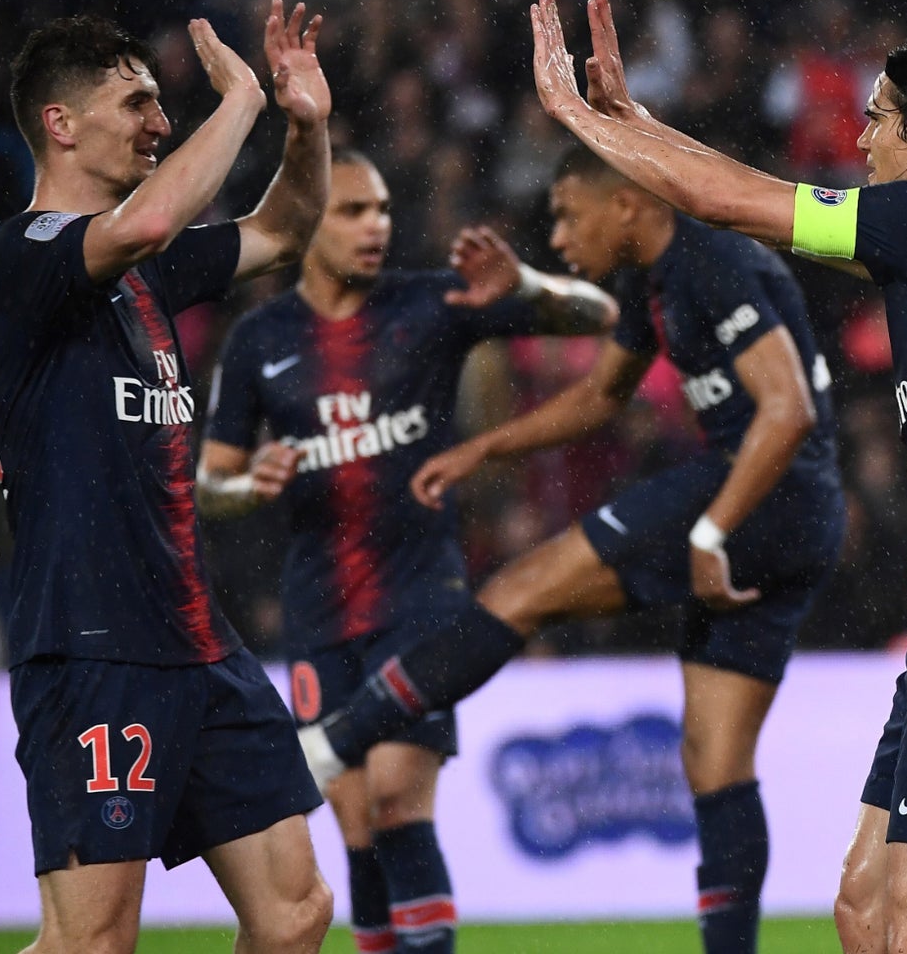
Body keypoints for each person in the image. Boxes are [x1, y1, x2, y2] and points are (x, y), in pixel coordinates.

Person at [522, 0, 907, 954]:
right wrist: (638, 120)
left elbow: (722, 203)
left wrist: (574, 117)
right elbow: (748, 207)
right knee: (865, 917)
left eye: (877, 118)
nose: (861, 139)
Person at [300, 140, 847, 954]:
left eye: (566, 215)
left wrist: (710, 527)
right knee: (715, 760)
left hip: (761, 495)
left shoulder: (714, 258)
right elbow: (601, 394)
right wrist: (489, 448)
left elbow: (788, 409)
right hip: (798, 516)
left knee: (524, 589)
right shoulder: (651, 273)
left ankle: (330, 744)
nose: (557, 239)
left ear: (627, 203)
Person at [0, 3, 335, 954]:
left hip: (200, 645)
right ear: (61, 122)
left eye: (164, 106)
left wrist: (307, 126)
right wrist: (242, 98)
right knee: (92, 942)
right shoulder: (21, 258)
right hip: (91, 648)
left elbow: (285, 233)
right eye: (138, 103)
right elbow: (154, 216)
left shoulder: (147, 271)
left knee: (295, 916)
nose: (159, 123)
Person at [200, 148, 617, 954]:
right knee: (356, 828)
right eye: (355, 210)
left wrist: (524, 288)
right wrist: (250, 480)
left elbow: (599, 313)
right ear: (308, 224)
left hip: (423, 600)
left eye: (384, 208)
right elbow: (208, 483)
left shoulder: (432, 303)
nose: (377, 225)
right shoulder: (259, 340)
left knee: (396, 799)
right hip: (319, 608)